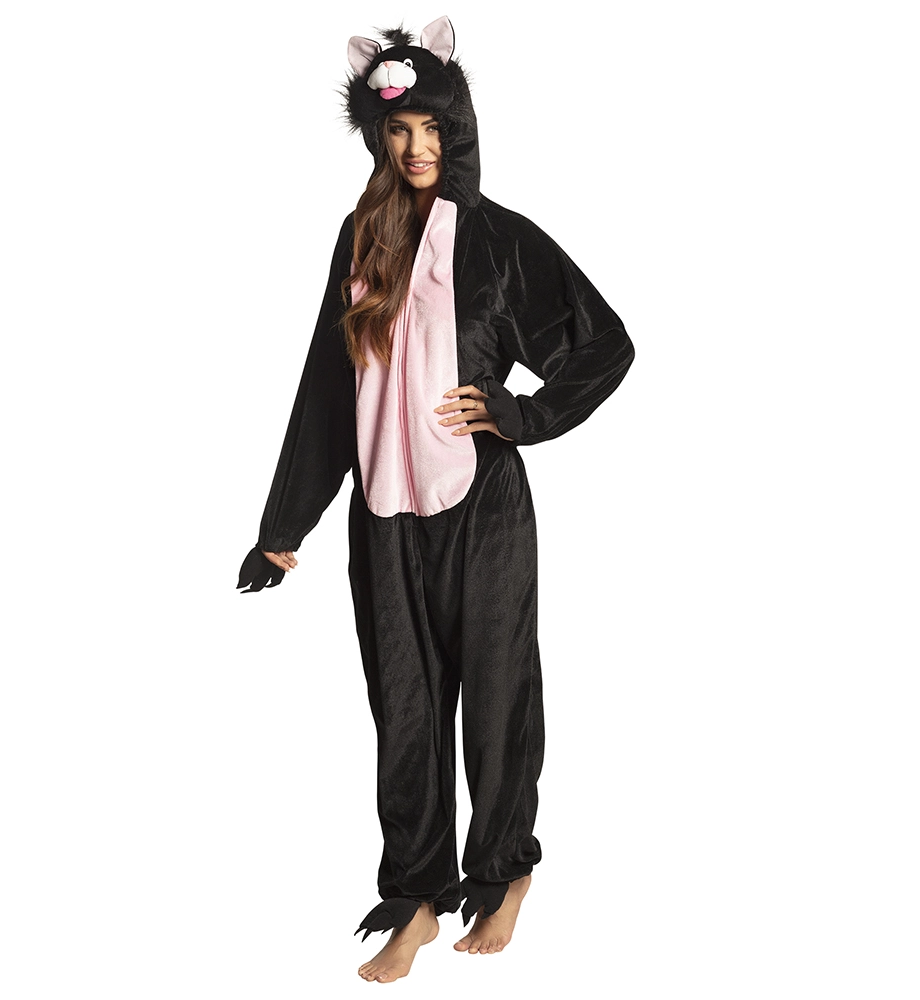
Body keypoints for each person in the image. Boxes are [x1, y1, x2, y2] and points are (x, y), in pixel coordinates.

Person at [237, 17, 635, 984]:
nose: (416, 148)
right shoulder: (360, 239)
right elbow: (327, 388)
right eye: (398, 130)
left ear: (457, 129)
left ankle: (503, 874)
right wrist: (284, 527)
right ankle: (416, 896)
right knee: (405, 713)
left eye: (431, 129)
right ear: (379, 136)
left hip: (482, 511)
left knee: (496, 699)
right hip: (383, 520)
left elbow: (605, 343)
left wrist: (517, 413)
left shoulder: (499, 239)